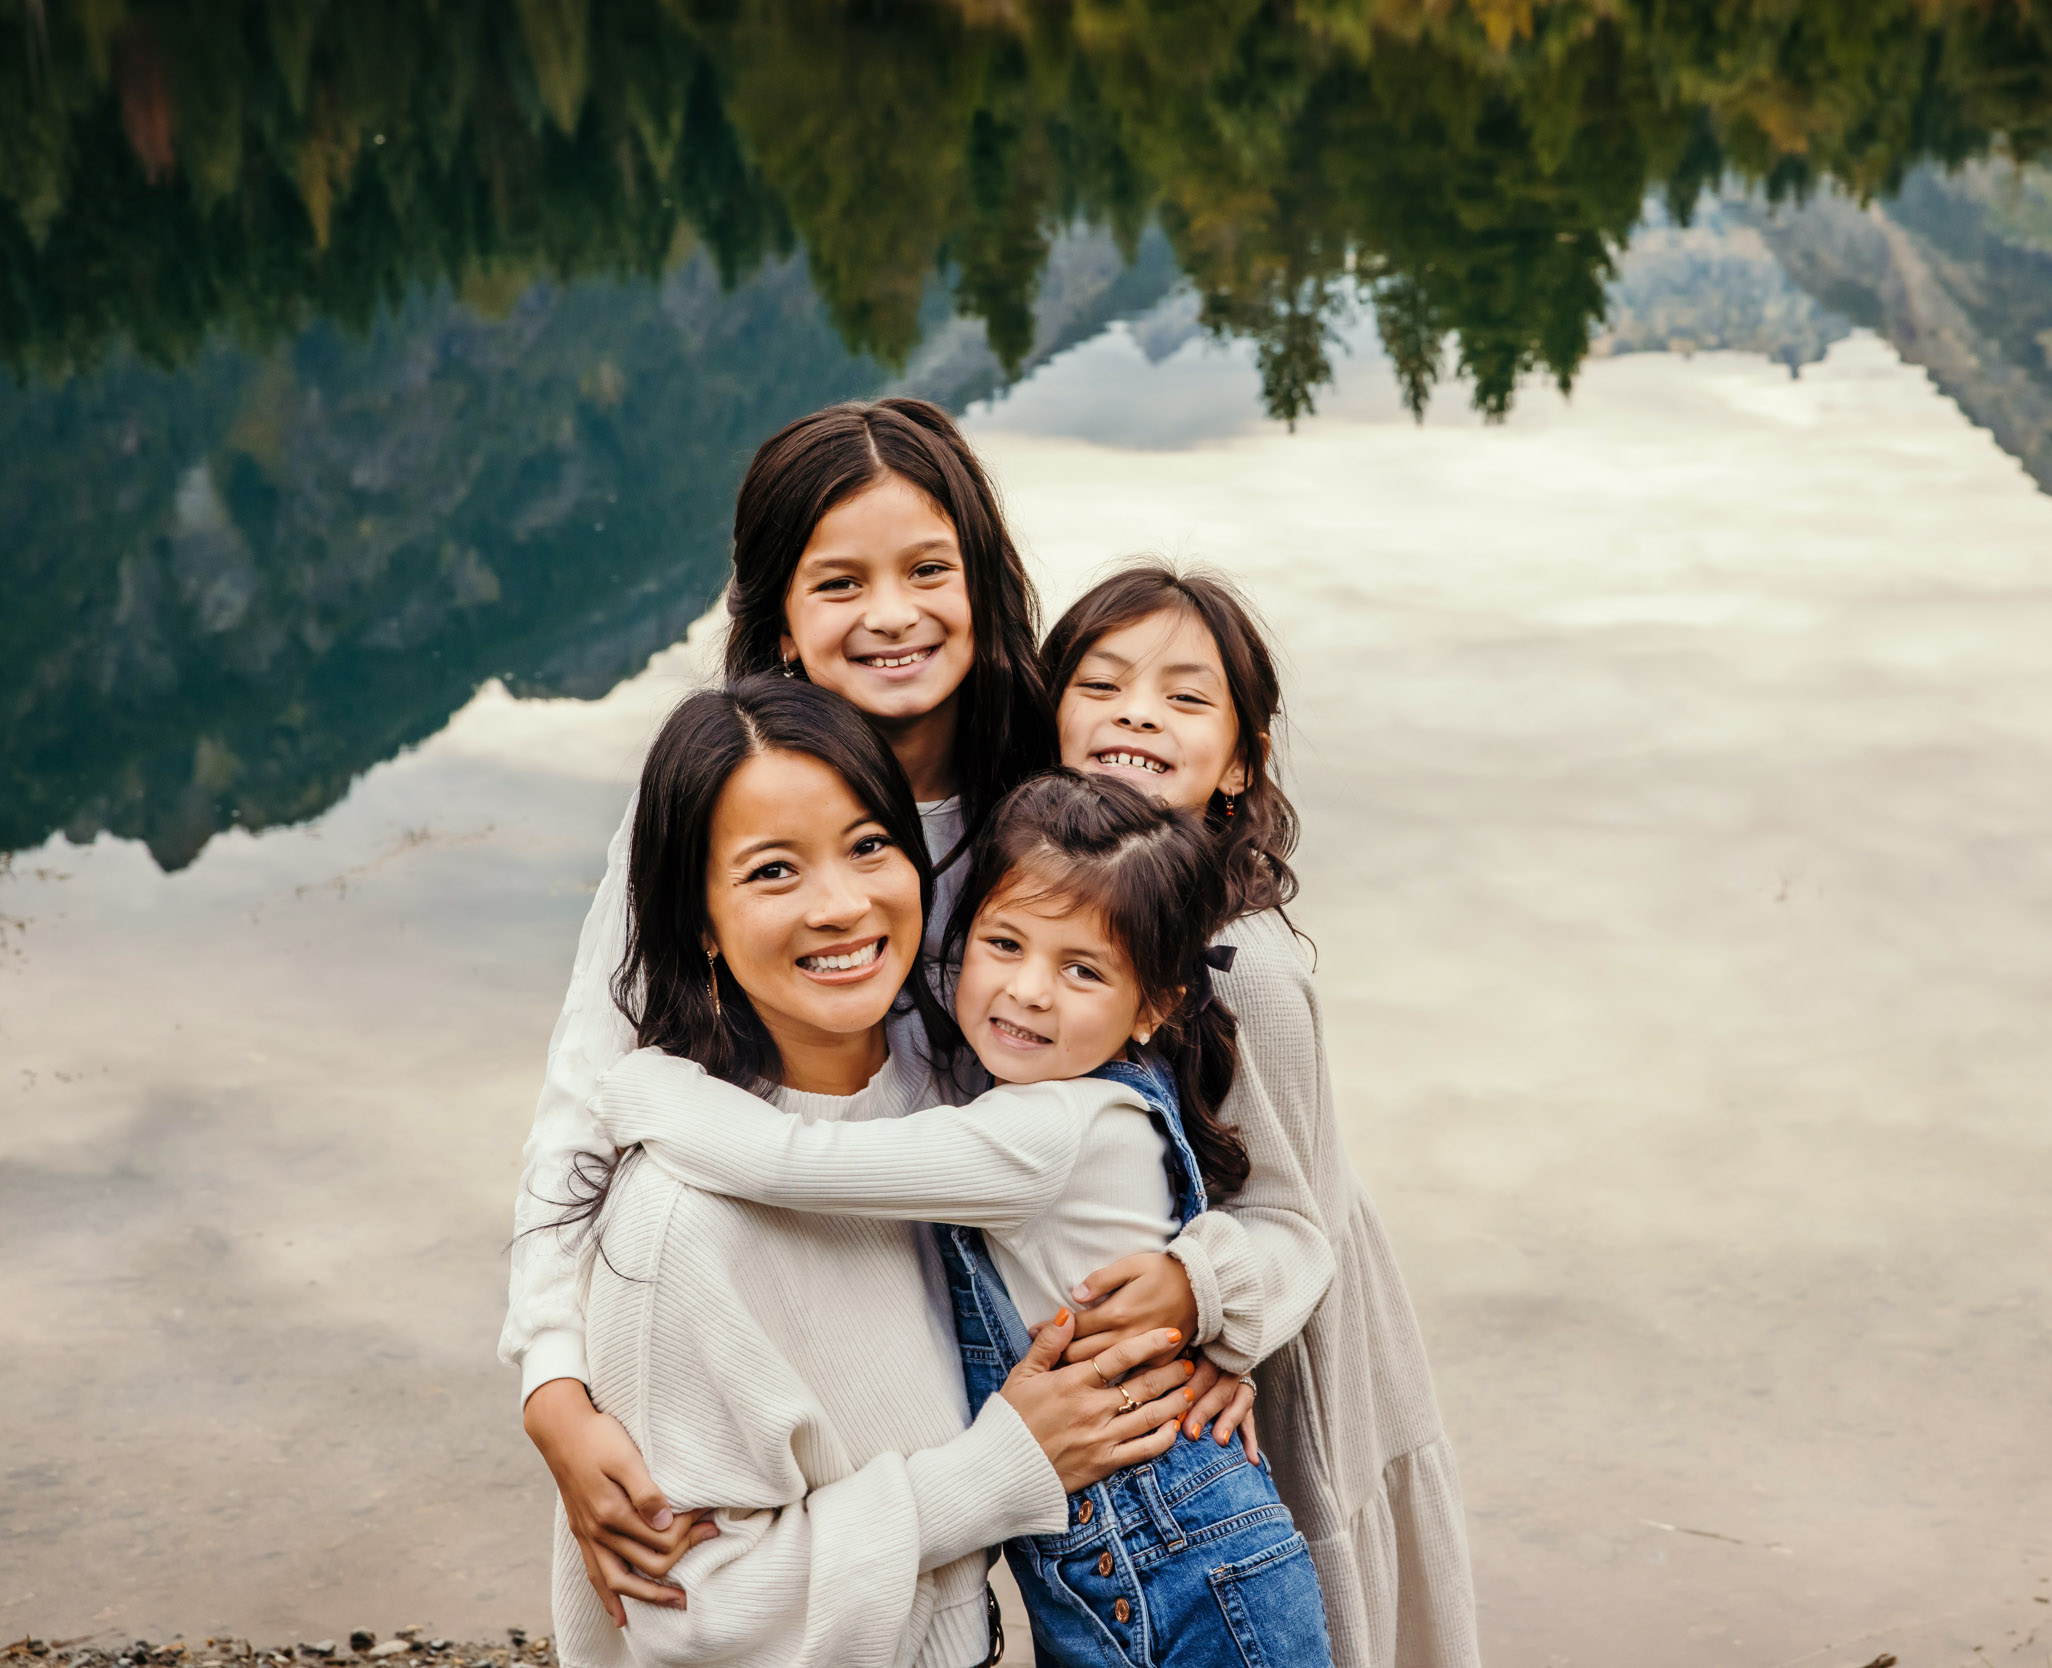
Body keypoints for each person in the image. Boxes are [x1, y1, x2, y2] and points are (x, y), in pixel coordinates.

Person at [502, 401, 1282, 1624]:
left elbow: (1252, 1176)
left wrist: (1215, 1301)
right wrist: (553, 1381)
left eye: (929, 569)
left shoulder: (1053, 815)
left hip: (957, 1332)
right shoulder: (713, 810)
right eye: (837, 582)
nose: (892, 614)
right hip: (781, 1331)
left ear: (983, 577)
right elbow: (584, 1107)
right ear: (777, 622)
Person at [586, 769, 1334, 1666]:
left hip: (1178, 1559)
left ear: (1155, 1007)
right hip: (1129, 1552)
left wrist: (642, 1087)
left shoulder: (1047, 1133)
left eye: (1082, 970)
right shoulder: (1056, 1095)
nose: (1028, 991)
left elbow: (806, 1163)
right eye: (1005, 943)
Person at [1037, 566, 1480, 1668]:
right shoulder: (1043, 915)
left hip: (1284, 1334)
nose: (1138, 709)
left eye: (1186, 699)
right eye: (1102, 684)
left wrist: (1206, 1297)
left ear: (1240, 763)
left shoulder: (1244, 972)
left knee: (1301, 1579)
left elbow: (1299, 1212)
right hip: (1176, 1332)